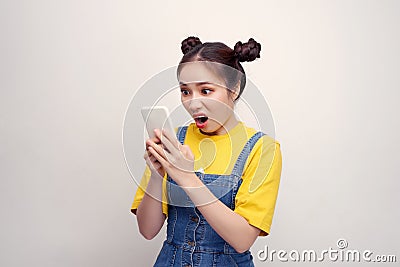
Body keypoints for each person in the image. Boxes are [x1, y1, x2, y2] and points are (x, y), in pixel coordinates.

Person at [131, 36, 282, 266]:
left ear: (234, 88)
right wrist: (156, 174)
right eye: (185, 92)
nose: (193, 103)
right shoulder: (174, 141)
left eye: (206, 90)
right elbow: (147, 230)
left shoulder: (262, 149)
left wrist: (187, 178)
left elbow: (242, 240)